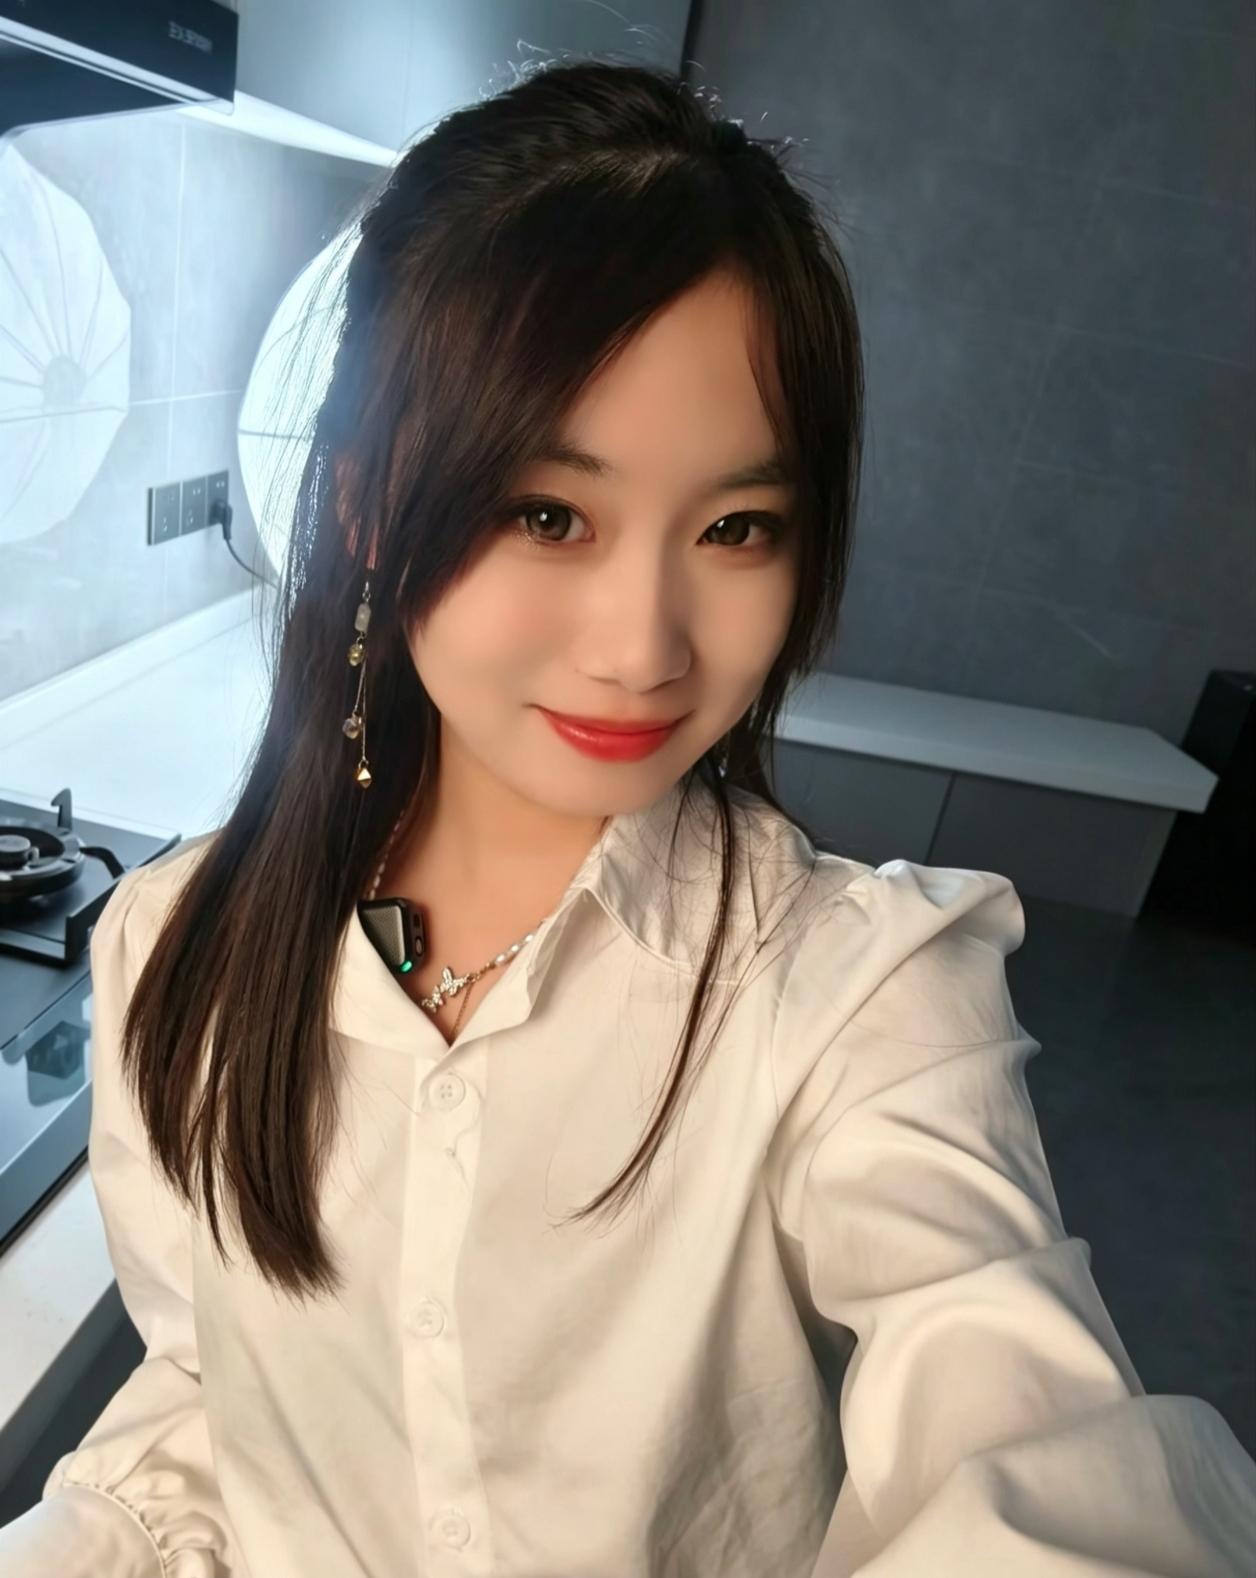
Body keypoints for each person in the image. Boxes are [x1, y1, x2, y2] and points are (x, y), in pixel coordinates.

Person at [1, 54, 1252, 1578]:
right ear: (366, 509)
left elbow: (1022, 1418)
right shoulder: (173, 951)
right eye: (548, 512)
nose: (644, 644)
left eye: (736, 526)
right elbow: (213, 1400)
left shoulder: (854, 990)